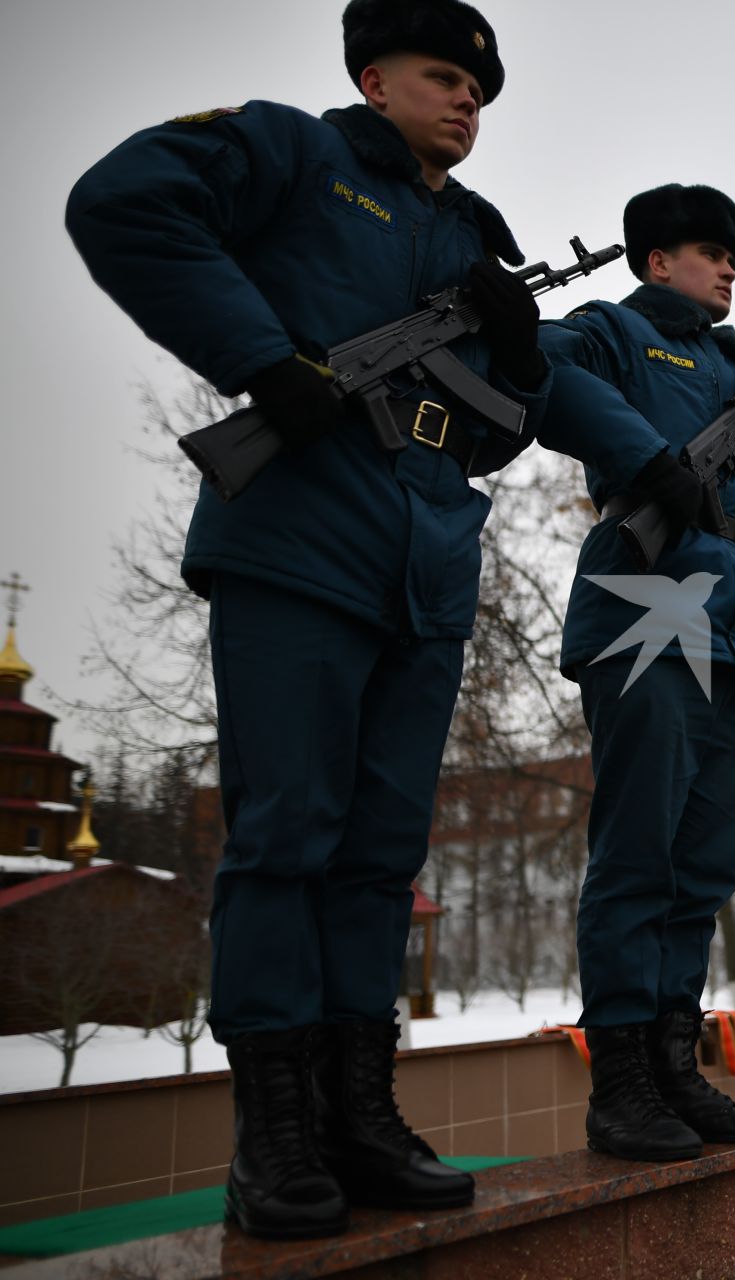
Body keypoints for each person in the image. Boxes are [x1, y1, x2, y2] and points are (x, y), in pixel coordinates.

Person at [66, 0, 546, 1240]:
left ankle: (358, 1108)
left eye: (479, 90)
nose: (466, 102)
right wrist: (263, 354)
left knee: (383, 852)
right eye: (442, 77)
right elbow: (121, 204)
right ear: (373, 78)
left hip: (429, 563)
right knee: (287, 831)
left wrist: (522, 362)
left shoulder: (477, 236)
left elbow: (492, 429)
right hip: (299, 541)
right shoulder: (293, 152)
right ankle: (272, 1128)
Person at [537, 182, 735, 1161]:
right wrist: (645, 455)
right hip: (647, 612)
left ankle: (671, 1066)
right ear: (657, 261)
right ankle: (619, 1083)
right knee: (639, 853)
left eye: (733, 253)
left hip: (730, 632)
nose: (728, 265)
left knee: (700, 867)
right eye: (708, 250)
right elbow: (540, 371)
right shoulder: (612, 329)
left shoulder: (734, 368)